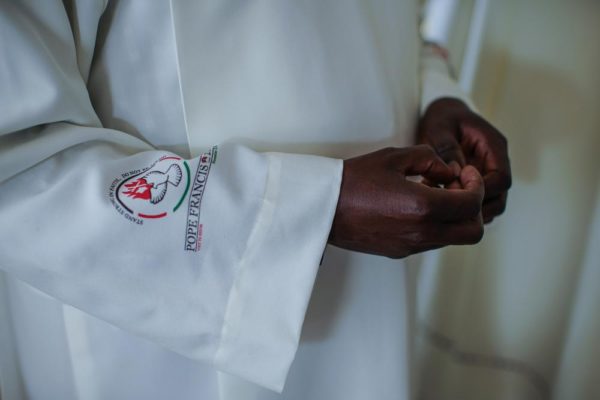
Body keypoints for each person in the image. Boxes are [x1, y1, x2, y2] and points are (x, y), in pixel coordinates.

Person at [0, 1, 511, 399]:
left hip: (375, 296)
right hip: (165, 328)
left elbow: (394, 22)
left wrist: (436, 96)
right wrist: (308, 212)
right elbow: (17, 161)